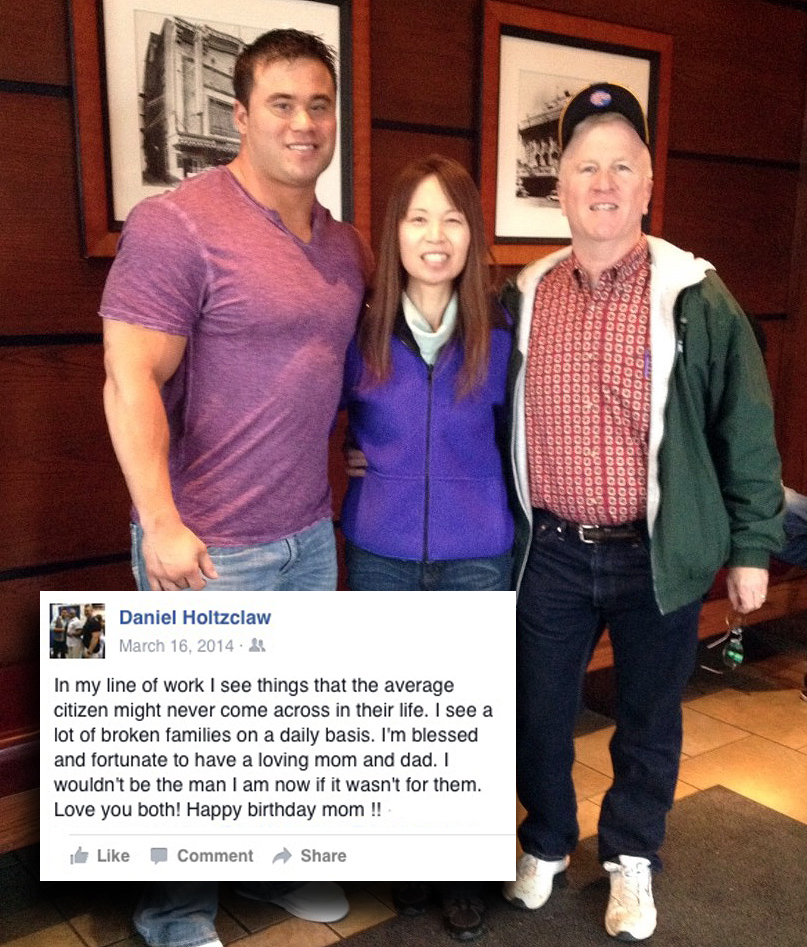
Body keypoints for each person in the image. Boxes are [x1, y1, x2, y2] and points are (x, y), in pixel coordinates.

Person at [100, 27, 370, 947]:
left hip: (308, 533)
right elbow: (128, 379)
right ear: (241, 114)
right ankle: (174, 913)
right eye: (281, 104)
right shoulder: (176, 223)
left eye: (319, 105)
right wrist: (160, 521)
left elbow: (336, 370)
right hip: (208, 541)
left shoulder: (344, 244)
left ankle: (267, 863)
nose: (304, 123)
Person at [500, 83, 784, 941]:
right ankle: (546, 840)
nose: (603, 182)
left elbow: (745, 426)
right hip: (550, 550)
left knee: (648, 718)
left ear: (648, 181)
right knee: (538, 711)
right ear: (559, 185)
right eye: (586, 165)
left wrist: (751, 546)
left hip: (656, 550)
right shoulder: (525, 294)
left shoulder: (695, 293)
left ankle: (631, 854)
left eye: (621, 165)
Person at [341, 154, 514, 940]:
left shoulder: (502, 334)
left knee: (467, 714)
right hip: (380, 550)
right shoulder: (360, 331)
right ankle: (408, 856)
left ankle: (464, 869)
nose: (434, 235)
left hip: (476, 551)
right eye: (418, 218)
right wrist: (355, 459)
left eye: (451, 218)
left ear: (472, 234)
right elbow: (316, 417)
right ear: (394, 233)